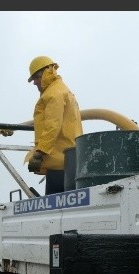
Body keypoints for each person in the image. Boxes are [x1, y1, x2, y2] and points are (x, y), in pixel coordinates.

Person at [24, 55, 83, 195]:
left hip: (60, 161)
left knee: (55, 210)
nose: (35, 83)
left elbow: (53, 125)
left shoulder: (53, 94)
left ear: (46, 73)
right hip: (69, 159)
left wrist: (39, 153)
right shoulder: (62, 90)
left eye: (36, 78)